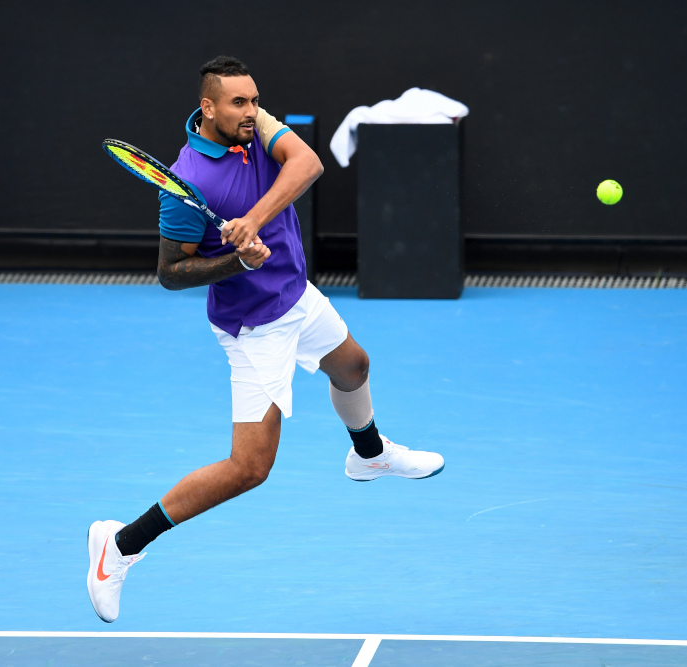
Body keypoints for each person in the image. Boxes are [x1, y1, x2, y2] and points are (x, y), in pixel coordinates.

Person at [86, 56, 445, 623]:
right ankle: (121, 544)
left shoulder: (253, 126)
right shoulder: (186, 185)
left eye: (255, 100)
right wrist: (234, 260)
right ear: (208, 109)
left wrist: (251, 222)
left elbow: (307, 163)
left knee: (352, 366)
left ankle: (369, 456)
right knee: (249, 468)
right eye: (239, 103)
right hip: (254, 327)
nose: (253, 111)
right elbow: (169, 274)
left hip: (295, 294)